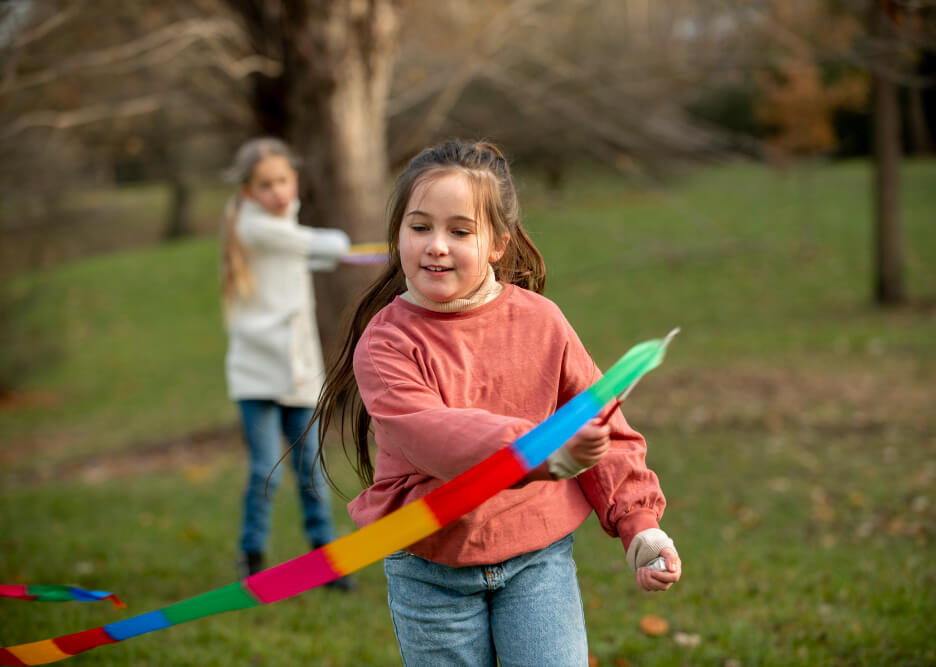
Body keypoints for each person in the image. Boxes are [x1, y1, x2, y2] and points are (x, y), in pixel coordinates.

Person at [315, 139, 680, 663]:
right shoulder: (386, 341)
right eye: (420, 227)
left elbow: (603, 424)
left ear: (497, 244)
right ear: (397, 236)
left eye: (459, 231)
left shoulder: (541, 321)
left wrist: (640, 526)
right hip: (430, 568)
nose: (436, 245)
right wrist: (541, 449)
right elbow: (432, 434)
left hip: (537, 559)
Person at [220, 137, 355, 591]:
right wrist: (337, 246)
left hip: (297, 368)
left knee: (310, 468)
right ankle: (252, 557)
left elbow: (315, 253)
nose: (277, 192)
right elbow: (327, 244)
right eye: (265, 185)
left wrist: (331, 251)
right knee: (264, 469)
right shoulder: (253, 227)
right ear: (247, 193)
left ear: (294, 179)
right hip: (257, 371)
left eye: (282, 180)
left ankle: (324, 560)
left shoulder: (279, 229)